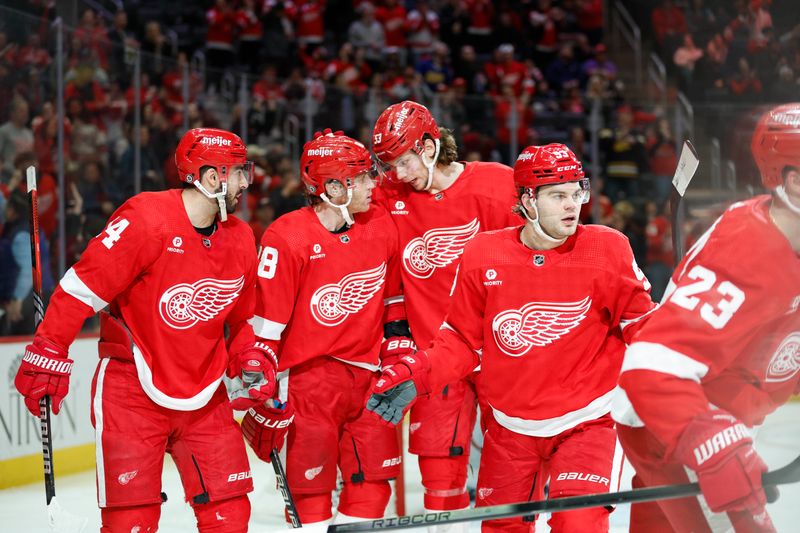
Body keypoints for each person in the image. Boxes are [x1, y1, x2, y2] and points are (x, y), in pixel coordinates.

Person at [367, 143, 656, 532]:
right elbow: (462, 342)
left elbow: (643, 328)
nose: (572, 206)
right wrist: (417, 375)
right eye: (558, 196)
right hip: (509, 428)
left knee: (578, 525)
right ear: (527, 200)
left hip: (588, 422)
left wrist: (678, 373)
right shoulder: (484, 253)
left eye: (577, 193)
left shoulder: (606, 248)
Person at [13, 128, 276, 533]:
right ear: (212, 178)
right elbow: (82, 287)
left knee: (230, 516)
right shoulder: (145, 219)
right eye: (240, 172)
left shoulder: (241, 238)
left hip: (205, 395)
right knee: (130, 523)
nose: (247, 182)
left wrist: (249, 356)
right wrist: (49, 348)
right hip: (132, 391)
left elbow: (240, 319)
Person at [612, 104, 800, 532]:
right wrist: (712, 442)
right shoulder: (751, 252)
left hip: (708, 415)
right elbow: (650, 369)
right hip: (676, 432)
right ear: (794, 182)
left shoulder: (781, 229)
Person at [242, 130, 405, 529]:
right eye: (362, 177)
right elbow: (266, 326)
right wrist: (257, 374)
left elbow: (393, 297)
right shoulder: (288, 236)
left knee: (374, 482)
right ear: (332, 186)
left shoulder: (380, 223)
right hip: (308, 382)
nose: (374, 184)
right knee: (309, 493)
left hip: (370, 378)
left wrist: (400, 348)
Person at [370, 100, 518, 528]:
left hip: (500, 352)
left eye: (404, 161)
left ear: (431, 147)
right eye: (390, 165)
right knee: (438, 470)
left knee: (509, 468)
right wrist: (396, 330)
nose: (398, 174)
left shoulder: (496, 186)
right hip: (437, 353)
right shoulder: (390, 195)